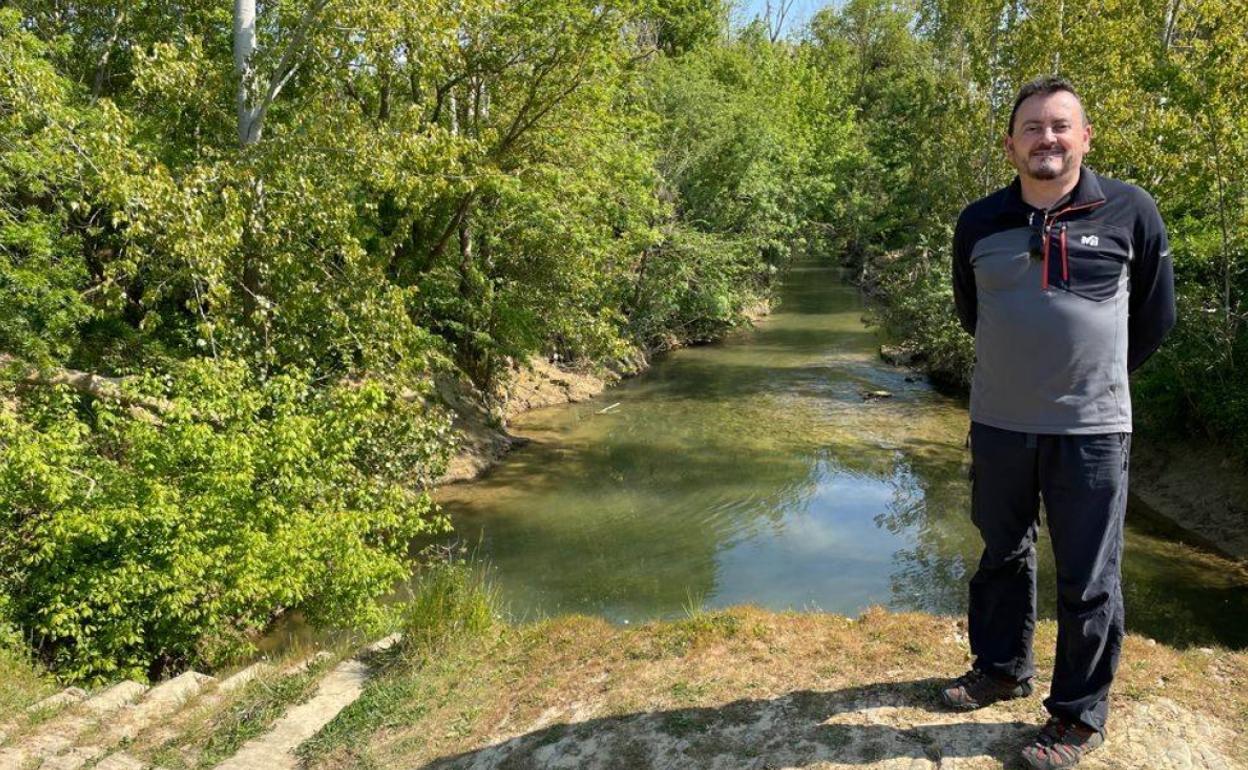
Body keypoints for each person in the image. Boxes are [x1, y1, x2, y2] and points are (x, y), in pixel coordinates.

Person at [939, 76, 1176, 769]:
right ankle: (1002, 668)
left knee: (1089, 576)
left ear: (1085, 137)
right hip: (1000, 423)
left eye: (1061, 126)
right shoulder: (978, 222)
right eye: (1033, 127)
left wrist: (1092, 380)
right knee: (1001, 553)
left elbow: (1155, 319)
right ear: (1011, 143)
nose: (1048, 138)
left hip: (1094, 432)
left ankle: (1077, 716)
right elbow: (972, 314)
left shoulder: (1132, 211)